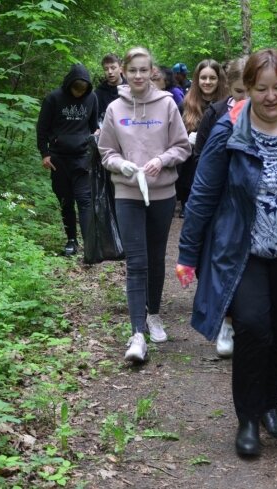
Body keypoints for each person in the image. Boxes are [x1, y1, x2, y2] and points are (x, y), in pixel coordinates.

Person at [175, 48, 277, 457]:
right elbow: (203, 194)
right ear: (247, 88)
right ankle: (247, 419)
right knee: (253, 327)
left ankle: (270, 405)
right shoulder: (228, 132)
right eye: (262, 88)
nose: (271, 97)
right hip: (242, 250)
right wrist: (187, 254)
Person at [98, 46, 191, 363]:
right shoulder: (114, 108)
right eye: (132, 70)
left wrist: (162, 160)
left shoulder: (167, 104)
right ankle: (137, 333)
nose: (138, 75)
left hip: (162, 193)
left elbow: (182, 147)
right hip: (127, 193)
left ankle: (153, 314)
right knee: (136, 262)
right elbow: (106, 151)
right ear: (124, 71)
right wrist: (121, 164)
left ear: (152, 72)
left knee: (155, 257)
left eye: (143, 70)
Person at [191, 55, 248, 358]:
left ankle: (246, 324)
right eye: (240, 92)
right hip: (222, 204)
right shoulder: (216, 114)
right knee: (222, 262)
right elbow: (200, 157)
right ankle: (226, 321)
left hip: (255, 209)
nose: (247, 99)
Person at [36, 63, 99, 256]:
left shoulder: (92, 98)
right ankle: (71, 239)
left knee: (84, 200)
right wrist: (45, 153)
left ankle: (90, 244)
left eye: (83, 90)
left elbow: (94, 125)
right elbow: (42, 128)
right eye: (76, 89)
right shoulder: (53, 98)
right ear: (69, 84)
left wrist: (97, 137)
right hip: (59, 159)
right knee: (66, 200)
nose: (79, 94)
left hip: (82, 157)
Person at [176, 59, 227, 217]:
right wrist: (187, 140)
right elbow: (174, 138)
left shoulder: (227, 105)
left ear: (219, 80)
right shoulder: (185, 105)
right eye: (203, 78)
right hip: (190, 171)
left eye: (212, 78)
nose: (207, 82)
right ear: (197, 79)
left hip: (218, 170)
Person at [94, 53, 124, 122]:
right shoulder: (98, 93)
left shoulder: (130, 89)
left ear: (121, 69)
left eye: (113, 68)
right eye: (106, 69)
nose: (110, 72)